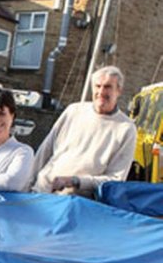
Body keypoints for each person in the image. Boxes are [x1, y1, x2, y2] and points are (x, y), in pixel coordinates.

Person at [30, 66, 137, 198]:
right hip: (42, 191)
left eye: (108, 87)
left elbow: (115, 180)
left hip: (78, 203)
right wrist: (28, 184)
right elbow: (45, 150)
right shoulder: (73, 111)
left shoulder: (126, 129)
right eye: (98, 86)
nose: (101, 91)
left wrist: (76, 181)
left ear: (119, 90)